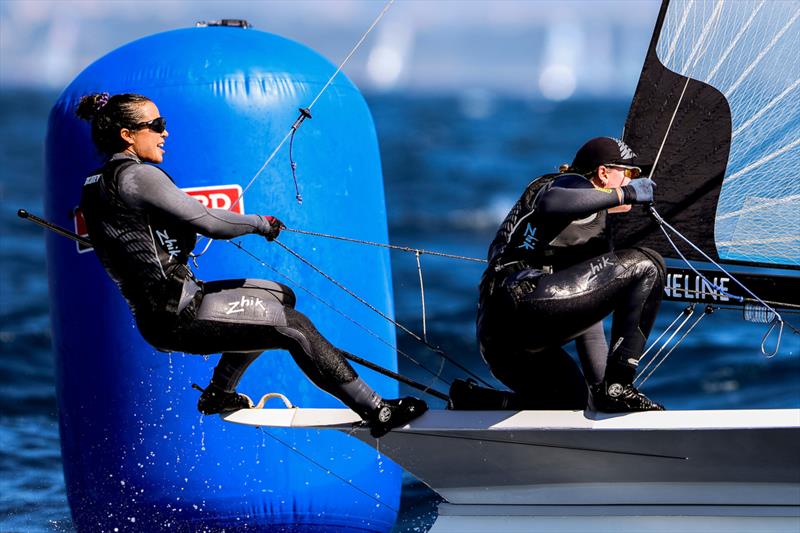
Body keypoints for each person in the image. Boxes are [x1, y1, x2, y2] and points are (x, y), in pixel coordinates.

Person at [75, 92, 426, 437]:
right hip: (177, 312)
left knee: (279, 296)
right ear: (128, 135)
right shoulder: (138, 177)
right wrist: (261, 223)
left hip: (164, 308)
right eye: (157, 125)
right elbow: (209, 220)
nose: (165, 132)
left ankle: (219, 392)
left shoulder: (95, 183)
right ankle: (378, 410)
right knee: (294, 326)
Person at [475, 137, 666, 412]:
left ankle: (471, 400)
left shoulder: (591, 228)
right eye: (629, 174)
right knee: (647, 264)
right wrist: (627, 194)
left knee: (571, 403)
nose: (633, 180)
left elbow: (587, 321)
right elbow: (551, 203)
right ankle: (620, 386)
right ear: (603, 173)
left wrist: (603, 392)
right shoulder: (571, 183)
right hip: (521, 304)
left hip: (498, 336)